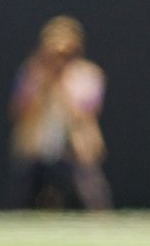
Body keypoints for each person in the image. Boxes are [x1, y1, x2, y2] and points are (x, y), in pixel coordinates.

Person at [9, 15, 111, 210]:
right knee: (21, 200)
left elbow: (84, 114)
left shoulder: (87, 74)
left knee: (91, 196)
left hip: (76, 151)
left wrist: (62, 83)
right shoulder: (32, 73)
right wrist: (42, 83)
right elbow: (19, 111)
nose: (59, 60)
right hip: (37, 151)